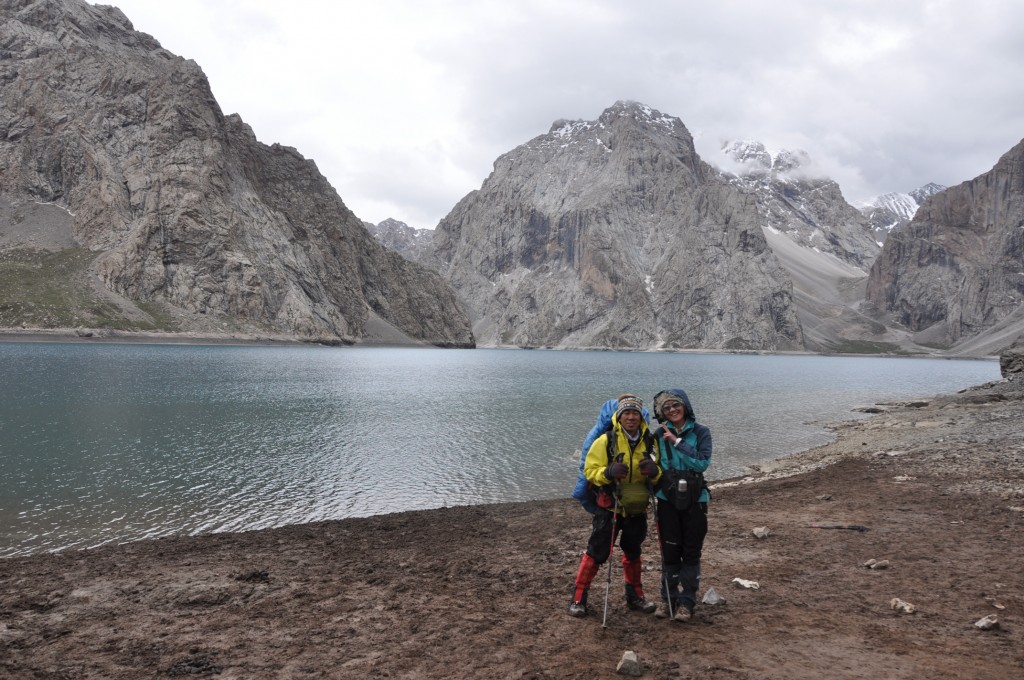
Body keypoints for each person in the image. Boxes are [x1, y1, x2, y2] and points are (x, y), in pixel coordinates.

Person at [568, 394, 662, 617]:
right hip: (610, 508)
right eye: (626, 413)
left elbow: (660, 474)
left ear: (642, 417)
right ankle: (578, 599)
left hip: (636, 509)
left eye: (635, 413)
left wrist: (655, 472)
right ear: (618, 417)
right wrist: (607, 473)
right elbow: (590, 471)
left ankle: (635, 597)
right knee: (596, 552)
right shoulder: (606, 441)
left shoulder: (650, 442)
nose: (631, 417)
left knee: (633, 551)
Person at [650, 388, 712, 622]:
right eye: (666, 408)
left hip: (696, 500)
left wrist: (677, 443)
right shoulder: (657, 435)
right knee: (670, 551)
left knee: (691, 552)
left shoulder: (701, 432)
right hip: (667, 500)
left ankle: (686, 602)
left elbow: (702, 463)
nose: (672, 410)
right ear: (662, 413)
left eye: (676, 405)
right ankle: (667, 599)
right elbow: (652, 462)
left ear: (685, 406)